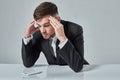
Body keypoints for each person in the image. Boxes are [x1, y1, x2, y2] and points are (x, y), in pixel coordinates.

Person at [22, 2, 88, 72]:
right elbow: (28, 63)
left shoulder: (75, 30)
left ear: (58, 20)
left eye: (46, 25)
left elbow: (78, 67)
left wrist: (62, 38)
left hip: (82, 74)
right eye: (39, 25)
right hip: (54, 75)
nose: (42, 30)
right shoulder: (39, 34)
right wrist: (27, 36)